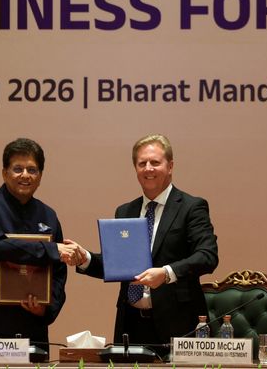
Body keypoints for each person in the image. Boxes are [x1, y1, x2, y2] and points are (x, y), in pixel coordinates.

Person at [76, 134, 219, 354]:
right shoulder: (125, 212)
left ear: (170, 166)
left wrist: (166, 273)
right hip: (131, 324)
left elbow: (207, 256)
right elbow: (118, 266)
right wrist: (84, 258)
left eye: (155, 162)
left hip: (177, 324)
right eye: (142, 163)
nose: (148, 168)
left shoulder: (191, 207)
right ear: (135, 169)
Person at [0, 138, 80, 346]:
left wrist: (46, 308)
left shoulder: (48, 215)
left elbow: (58, 272)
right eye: (18, 169)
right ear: (5, 173)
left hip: (31, 326)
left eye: (32, 170)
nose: (25, 175)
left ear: (40, 176)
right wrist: (51, 249)